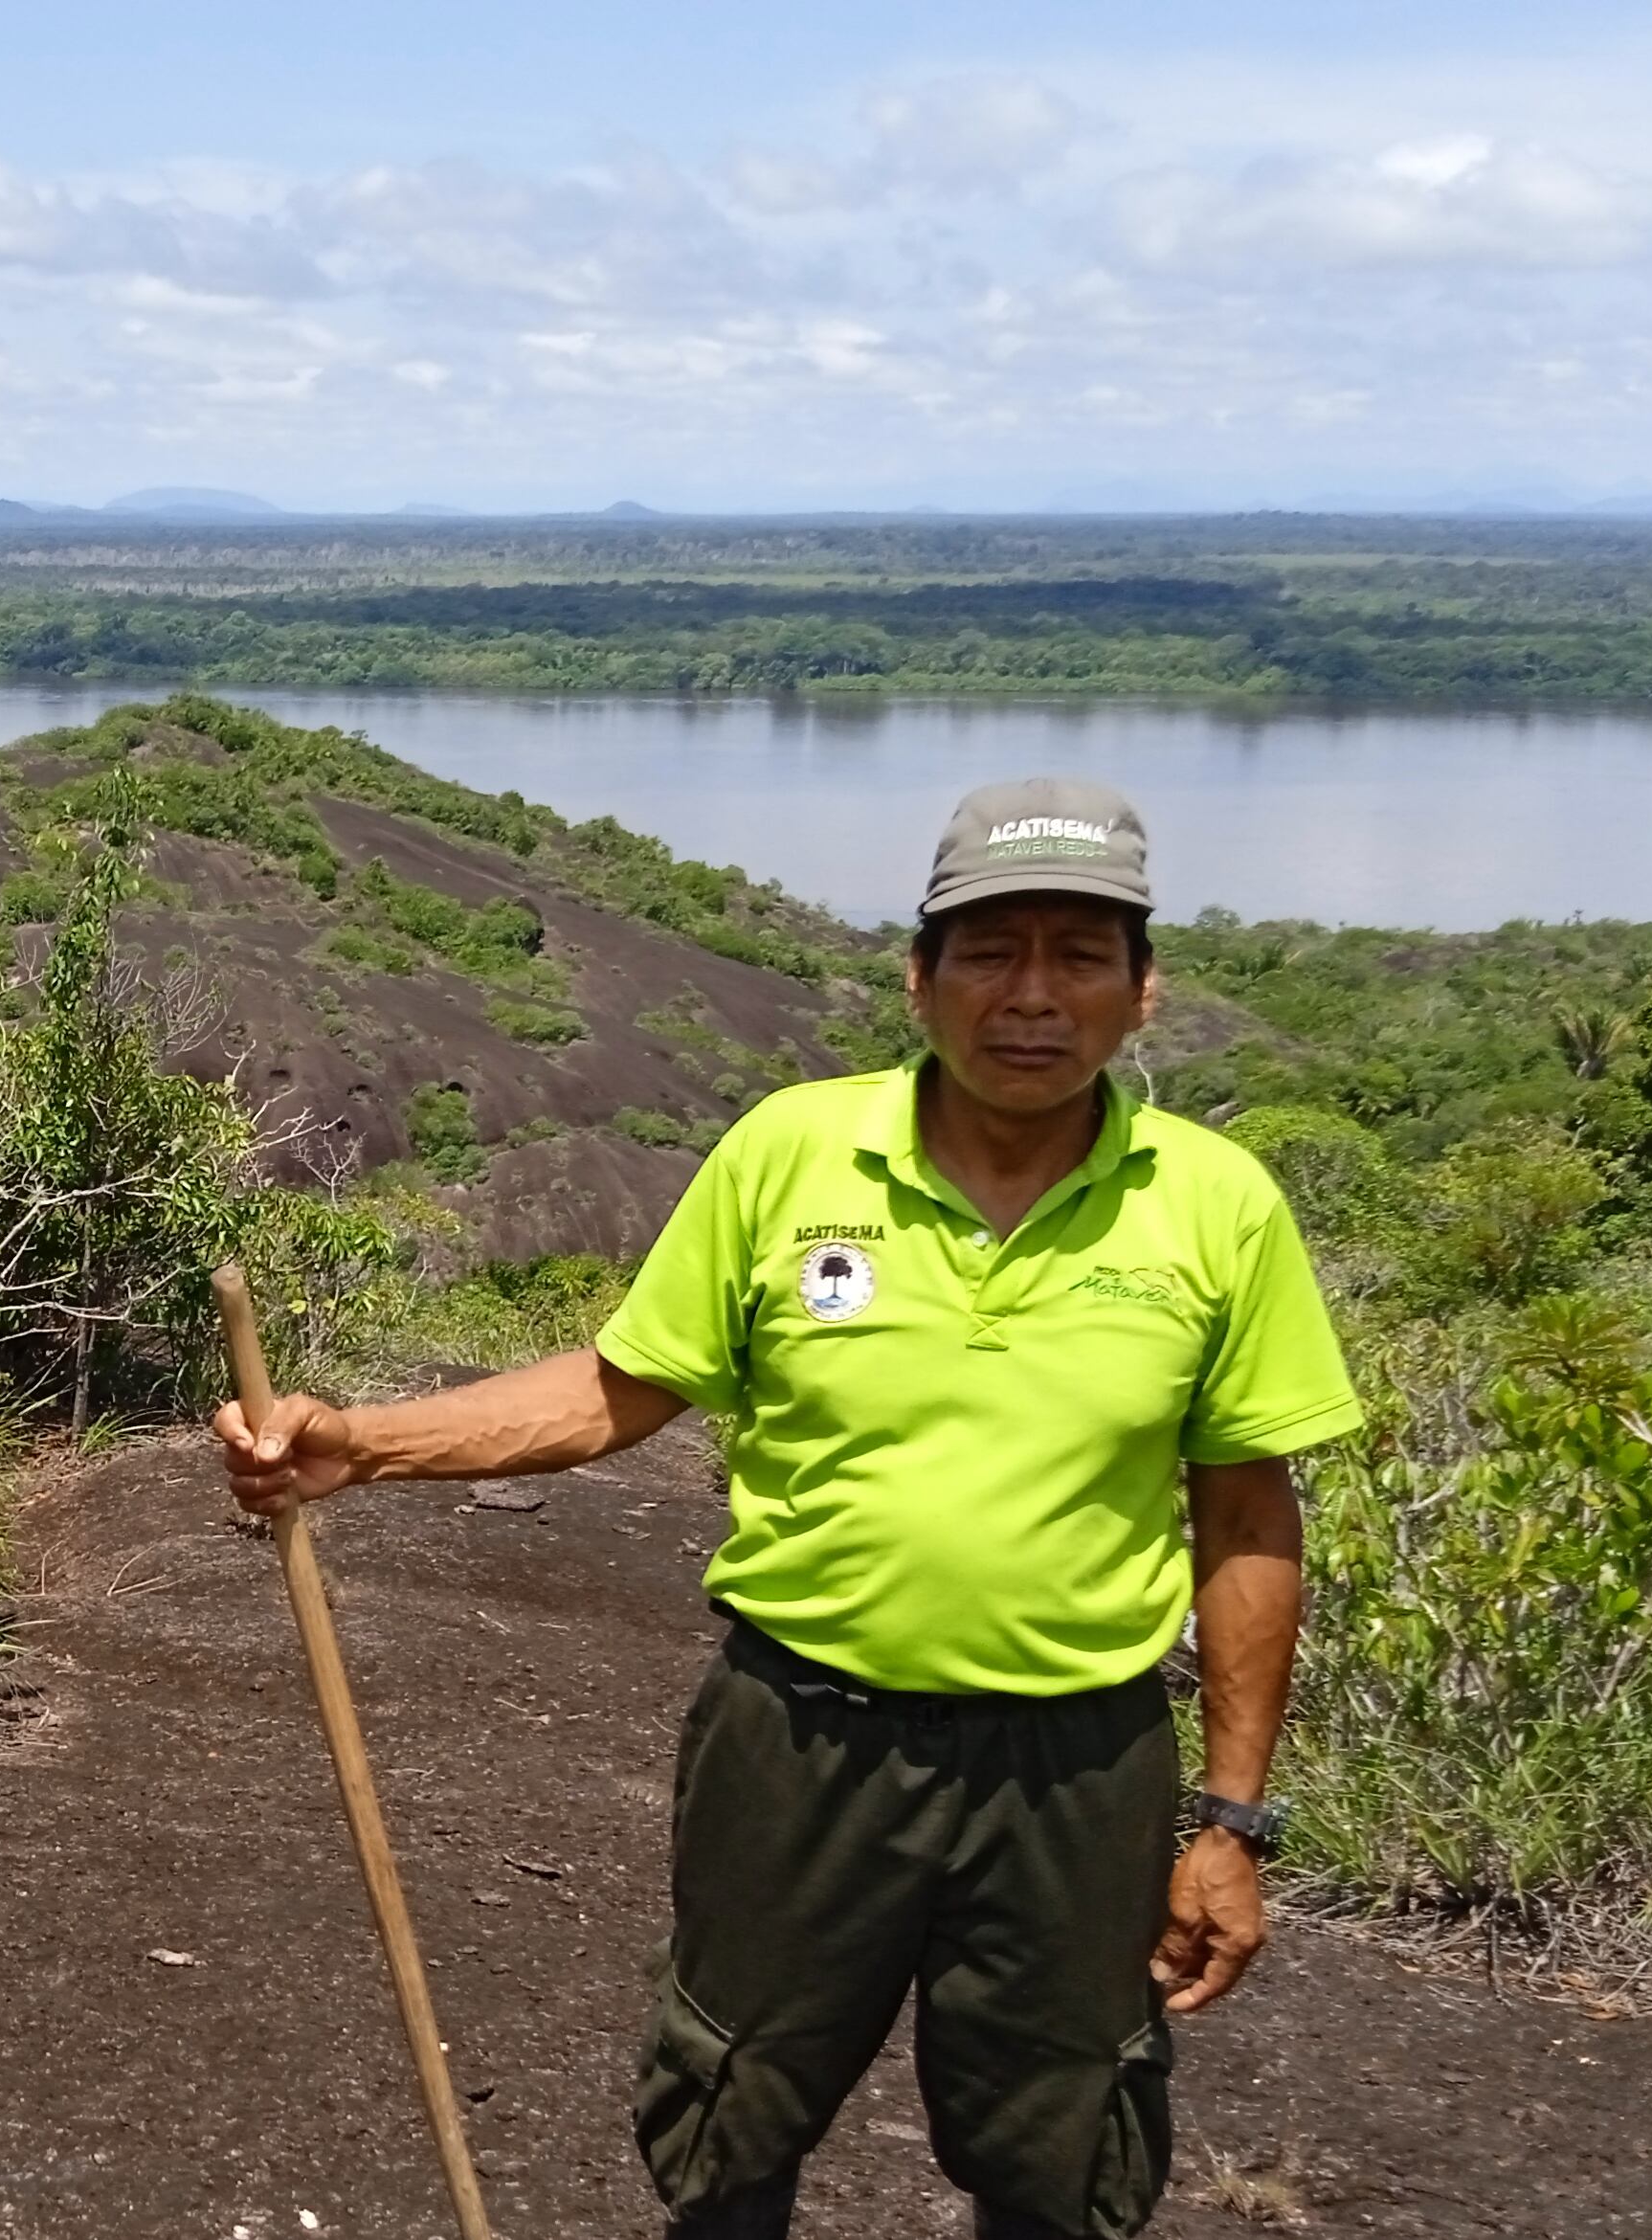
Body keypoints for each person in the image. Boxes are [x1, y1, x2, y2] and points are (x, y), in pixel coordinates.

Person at [213, 777, 1360, 2240]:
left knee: (1065, 2149)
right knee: (729, 2113)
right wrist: (359, 1446)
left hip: (1078, 1763)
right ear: (918, 976)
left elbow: (1248, 1515)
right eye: (989, 951)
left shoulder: (1215, 1204)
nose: (1031, 994)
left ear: (1144, 991)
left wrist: (1233, 1822)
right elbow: (625, 1386)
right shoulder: (793, 1154)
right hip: (802, 1739)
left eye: (1080, 954)